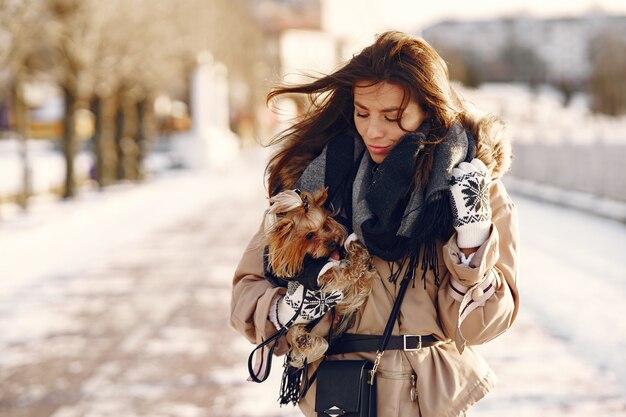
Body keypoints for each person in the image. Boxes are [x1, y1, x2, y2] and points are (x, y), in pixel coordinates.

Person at [231, 31, 519, 417]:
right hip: (340, 396)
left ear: (429, 111)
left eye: (393, 116)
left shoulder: (470, 187)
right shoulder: (317, 183)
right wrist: (286, 310)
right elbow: (246, 291)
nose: (374, 131)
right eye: (363, 113)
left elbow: (480, 326)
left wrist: (472, 238)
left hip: (428, 399)